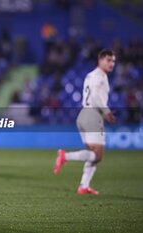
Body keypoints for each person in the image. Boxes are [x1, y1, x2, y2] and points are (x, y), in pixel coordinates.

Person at [54, 49, 116, 195]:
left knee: (91, 153)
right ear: (99, 60)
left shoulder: (90, 75)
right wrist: (106, 111)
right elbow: (95, 96)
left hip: (83, 114)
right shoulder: (100, 76)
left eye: (113, 61)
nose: (111, 63)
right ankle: (65, 156)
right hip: (93, 114)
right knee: (98, 155)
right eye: (108, 60)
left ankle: (84, 185)